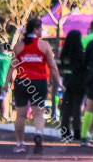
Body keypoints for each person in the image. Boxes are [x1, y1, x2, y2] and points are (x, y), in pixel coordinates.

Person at [8, 18, 62, 154]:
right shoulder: (44, 45)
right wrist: (59, 82)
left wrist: (6, 83)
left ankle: (20, 143)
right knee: (38, 113)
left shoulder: (19, 45)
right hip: (39, 82)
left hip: (22, 82)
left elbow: (12, 67)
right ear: (36, 30)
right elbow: (53, 66)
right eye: (40, 29)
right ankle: (38, 133)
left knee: (20, 115)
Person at [59, 30, 87, 141]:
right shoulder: (81, 53)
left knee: (66, 108)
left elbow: (62, 67)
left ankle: (65, 131)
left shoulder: (64, 54)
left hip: (67, 83)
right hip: (79, 84)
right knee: (76, 109)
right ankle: (77, 132)